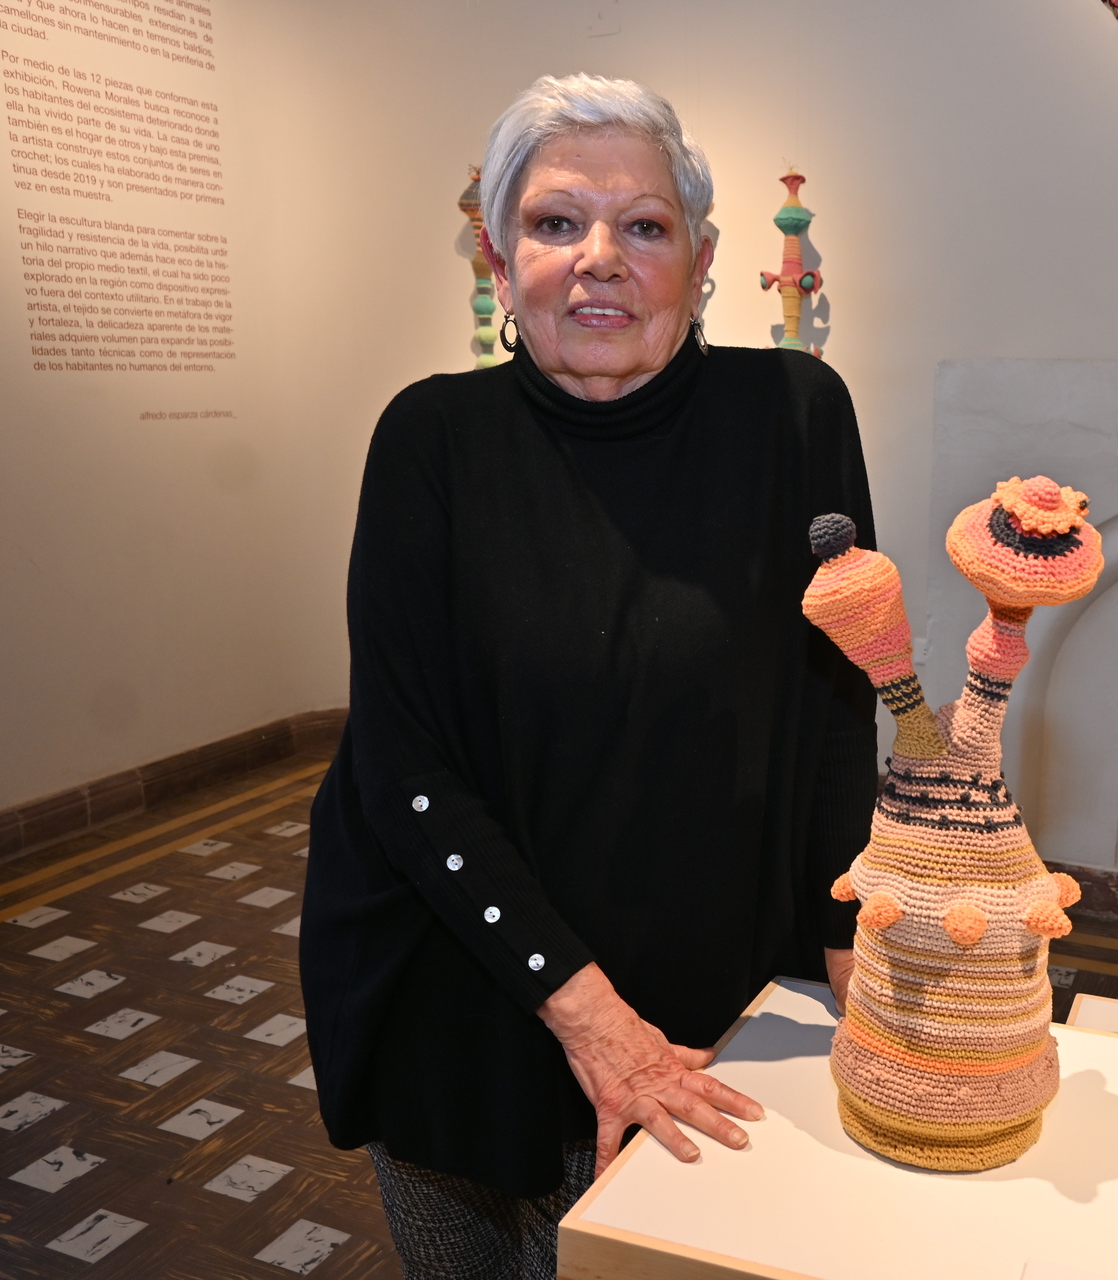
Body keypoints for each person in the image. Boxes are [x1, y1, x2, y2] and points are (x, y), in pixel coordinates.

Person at [300, 73, 878, 1280]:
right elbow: (402, 764)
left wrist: (849, 951)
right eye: (556, 222)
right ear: (499, 258)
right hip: (454, 978)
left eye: (645, 225)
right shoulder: (429, 439)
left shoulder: (798, 416)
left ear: (701, 259)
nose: (599, 257)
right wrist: (589, 1015)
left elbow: (837, 705)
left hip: (707, 979)